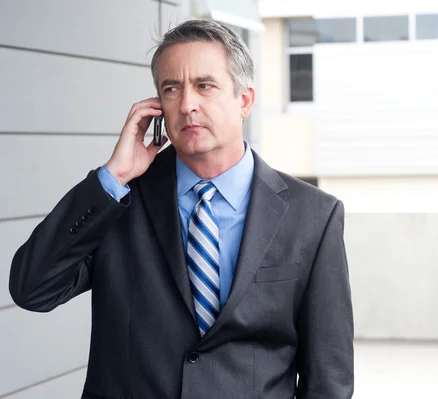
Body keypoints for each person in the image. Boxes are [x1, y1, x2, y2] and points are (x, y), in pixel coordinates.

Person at [8, 20, 354, 399]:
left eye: (205, 85)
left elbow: (328, 380)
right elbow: (32, 289)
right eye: (172, 89)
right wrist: (114, 174)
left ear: (245, 100)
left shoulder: (314, 216)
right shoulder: (119, 200)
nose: (187, 103)